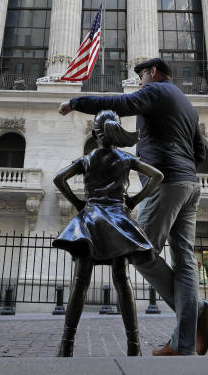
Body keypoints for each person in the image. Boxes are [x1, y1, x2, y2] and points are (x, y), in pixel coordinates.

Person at [58, 58, 208, 356]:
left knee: (139, 252)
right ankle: (183, 343)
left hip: (167, 185)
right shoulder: (188, 106)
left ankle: (196, 310)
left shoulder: (157, 92)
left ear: (152, 73)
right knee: (185, 258)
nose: (140, 81)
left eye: (141, 75)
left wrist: (76, 102)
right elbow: (200, 152)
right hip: (190, 185)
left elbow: (122, 104)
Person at [52, 110, 163, 357]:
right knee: (122, 280)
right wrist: (134, 200)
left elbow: (59, 179)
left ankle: (67, 344)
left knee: (80, 282)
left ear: (95, 134)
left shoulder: (87, 158)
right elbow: (157, 176)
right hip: (117, 219)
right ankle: (134, 347)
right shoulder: (125, 158)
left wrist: (79, 203)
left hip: (90, 220)